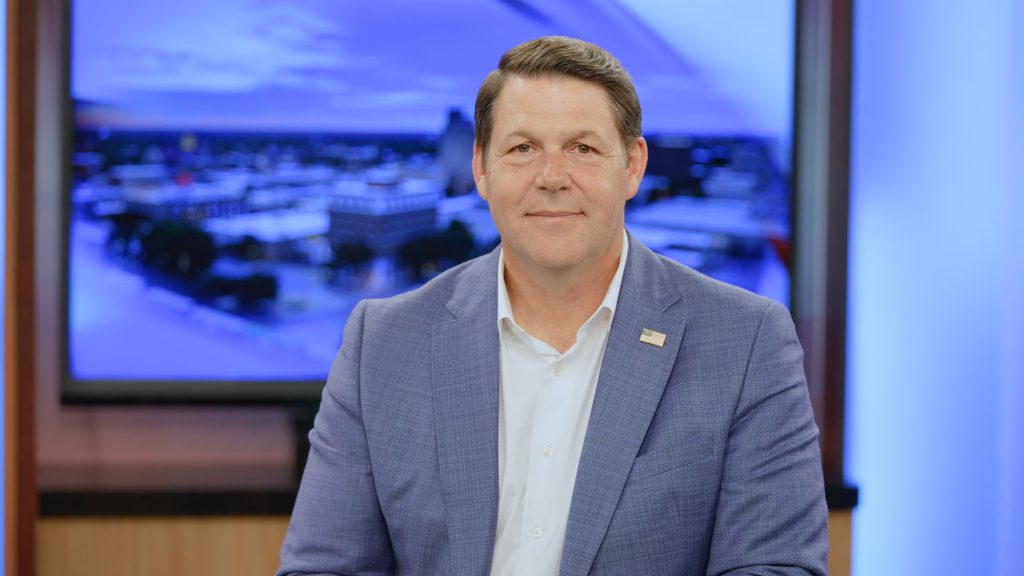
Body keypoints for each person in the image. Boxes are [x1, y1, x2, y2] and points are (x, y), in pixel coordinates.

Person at [278, 36, 828, 576]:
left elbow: (776, 567)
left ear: (633, 166)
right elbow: (324, 567)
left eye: (583, 149)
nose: (552, 178)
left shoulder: (747, 340)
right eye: (522, 148)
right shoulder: (383, 341)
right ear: (481, 169)